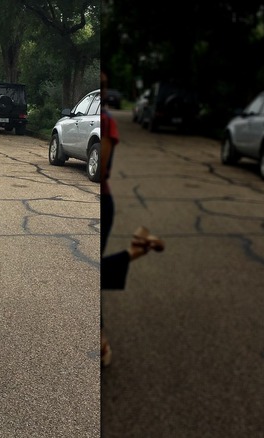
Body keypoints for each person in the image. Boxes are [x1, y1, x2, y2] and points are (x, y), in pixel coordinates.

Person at [100, 70, 164, 366]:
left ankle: (99, 338)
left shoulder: (107, 120)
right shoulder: (105, 120)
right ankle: (139, 248)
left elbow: (103, 169)